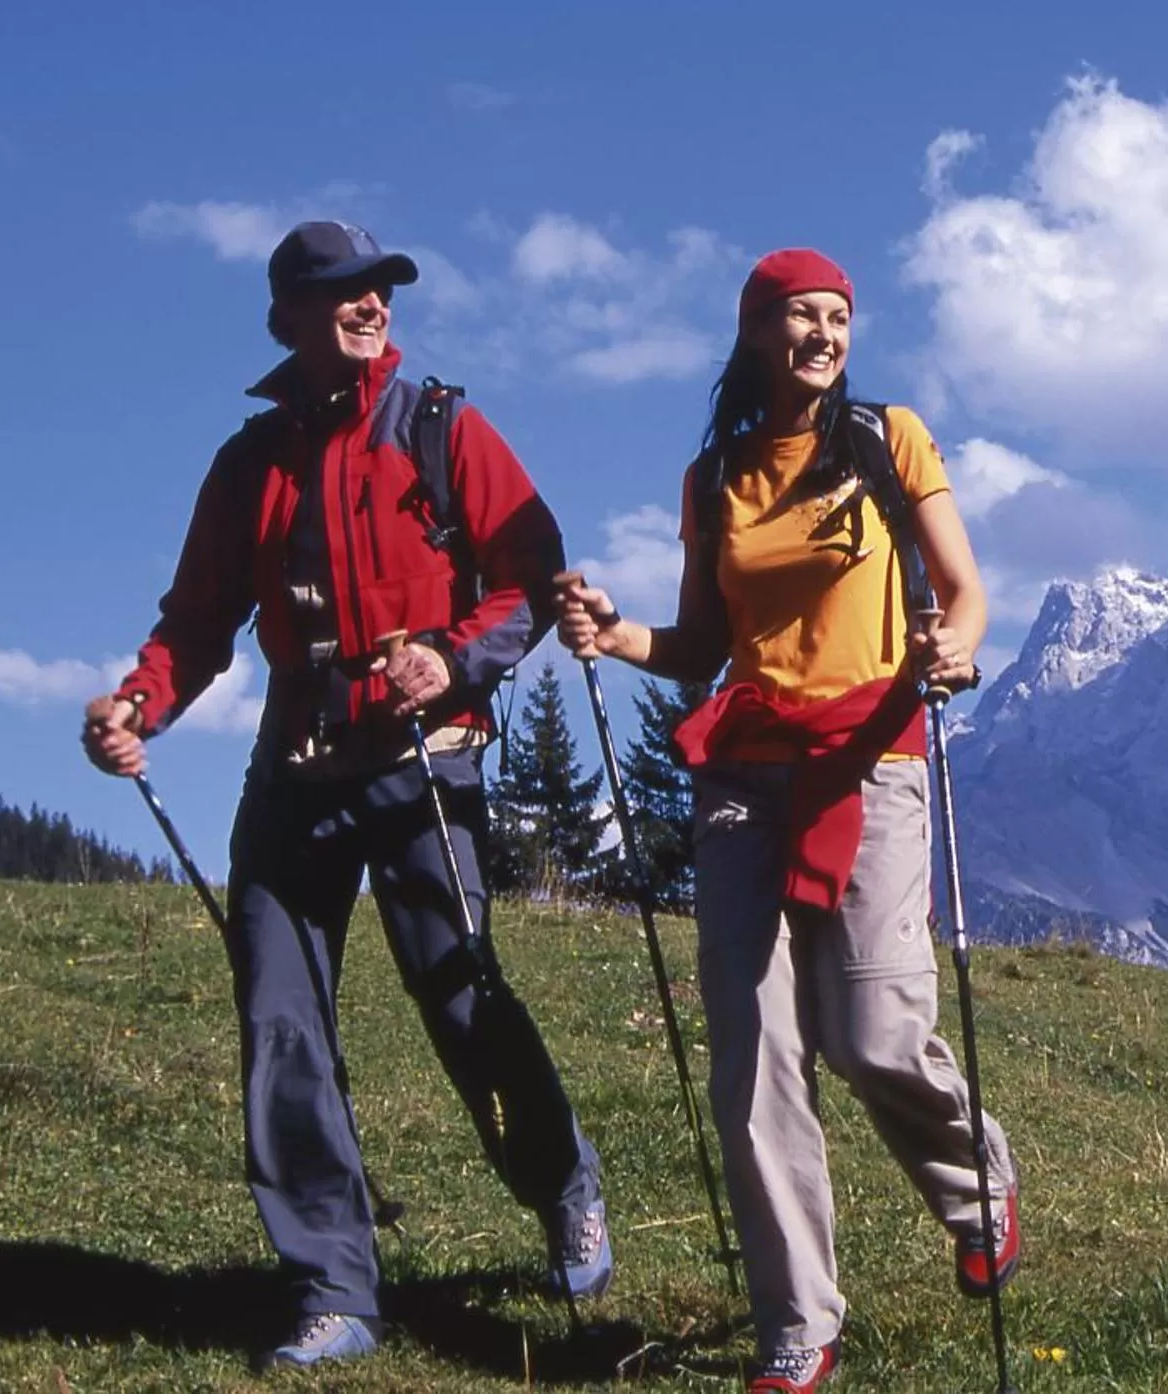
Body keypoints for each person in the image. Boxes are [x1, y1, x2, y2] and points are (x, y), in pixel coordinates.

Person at [80, 220, 611, 1370]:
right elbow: (195, 623)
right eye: (343, 293)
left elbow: (532, 575)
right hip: (295, 772)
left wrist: (455, 659)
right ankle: (333, 1285)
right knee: (279, 1022)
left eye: (379, 289)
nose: (370, 306)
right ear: (289, 320)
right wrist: (137, 707)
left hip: (426, 758)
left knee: (459, 998)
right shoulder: (249, 463)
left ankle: (561, 1182)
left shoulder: (441, 425)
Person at [555, 247, 1019, 1394]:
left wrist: (954, 647)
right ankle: (796, 1325)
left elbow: (963, 590)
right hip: (742, 779)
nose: (823, 333)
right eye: (801, 317)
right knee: (754, 1057)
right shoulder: (713, 478)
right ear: (757, 331)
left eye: (838, 317)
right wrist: (615, 636)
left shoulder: (889, 438)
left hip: (869, 762)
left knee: (871, 1034)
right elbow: (700, 649)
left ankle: (978, 1187)